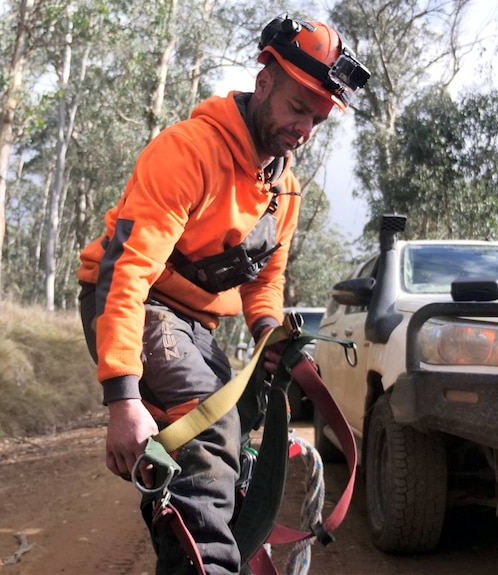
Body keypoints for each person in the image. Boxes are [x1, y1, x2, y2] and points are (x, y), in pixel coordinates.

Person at [76, 16, 369, 575]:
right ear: (264, 83)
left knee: (229, 441)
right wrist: (123, 399)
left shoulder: (283, 189)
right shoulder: (188, 152)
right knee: (209, 429)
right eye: (297, 107)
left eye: (318, 117)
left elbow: (265, 281)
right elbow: (127, 271)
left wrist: (268, 332)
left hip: (195, 324)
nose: (305, 127)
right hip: (134, 302)